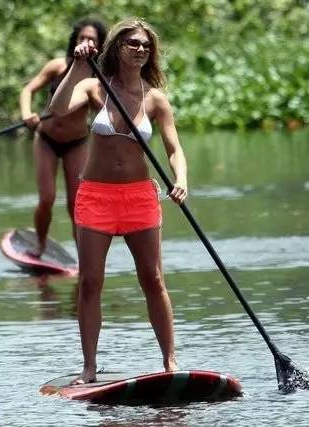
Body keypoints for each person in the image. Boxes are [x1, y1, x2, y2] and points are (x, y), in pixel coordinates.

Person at [50, 18, 188, 384]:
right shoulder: (95, 85)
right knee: (91, 281)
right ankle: (89, 368)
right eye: (132, 44)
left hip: (140, 198)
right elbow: (59, 108)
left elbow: (174, 149)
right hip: (96, 197)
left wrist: (181, 179)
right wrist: (78, 66)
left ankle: (170, 362)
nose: (140, 50)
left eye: (145, 45)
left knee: (153, 279)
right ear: (117, 48)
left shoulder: (156, 99)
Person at [19, 18, 107, 257]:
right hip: (46, 140)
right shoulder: (57, 66)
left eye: (92, 40)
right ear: (75, 41)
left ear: (99, 46)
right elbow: (28, 90)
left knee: (76, 205)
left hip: (77, 144)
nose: (87, 43)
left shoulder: (99, 78)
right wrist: (28, 115)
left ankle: (83, 256)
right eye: (82, 38)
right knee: (47, 198)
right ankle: (40, 245)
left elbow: (105, 111)